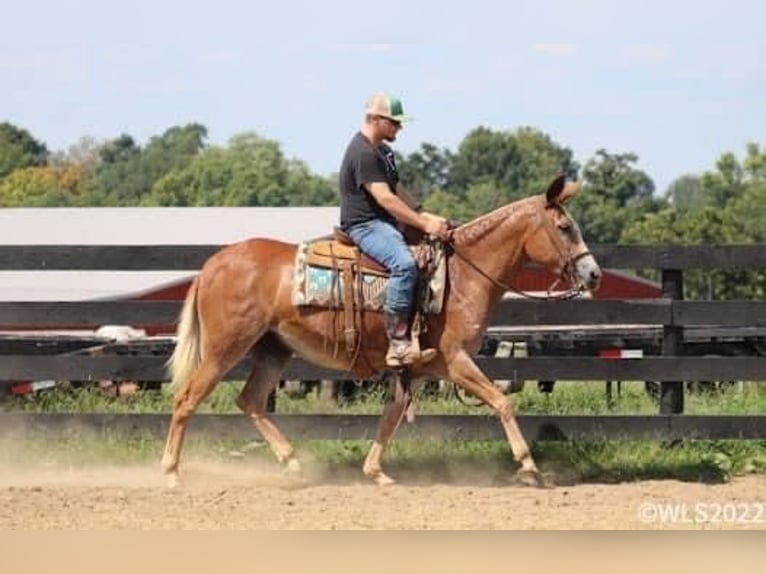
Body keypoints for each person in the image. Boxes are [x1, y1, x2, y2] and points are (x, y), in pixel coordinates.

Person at [338, 92, 450, 367]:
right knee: (404, 264)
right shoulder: (362, 152)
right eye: (394, 123)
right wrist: (424, 224)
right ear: (375, 120)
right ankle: (397, 341)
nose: (399, 128)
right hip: (365, 225)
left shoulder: (383, 151)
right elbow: (385, 198)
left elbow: (397, 189)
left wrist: (423, 213)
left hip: (385, 223)